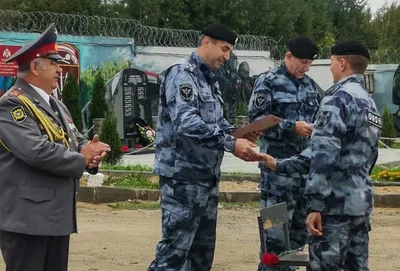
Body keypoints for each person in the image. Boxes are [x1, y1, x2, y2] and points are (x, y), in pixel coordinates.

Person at [149, 23, 262, 271]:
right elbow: (186, 123)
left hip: (206, 179)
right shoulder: (182, 74)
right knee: (173, 256)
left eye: (230, 51)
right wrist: (231, 143)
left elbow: (215, 121)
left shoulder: (208, 79)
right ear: (206, 42)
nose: (227, 56)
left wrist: (237, 133)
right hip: (182, 180)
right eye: (224, 49)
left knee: (201, 256)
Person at [0, 23, 111, 271]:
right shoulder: (11, 105)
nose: (60, 69)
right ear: (35, 67)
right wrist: (82, 158)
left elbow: (73, 138)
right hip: (27, 219)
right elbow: (36, 151)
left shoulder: (55, 104)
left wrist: (91, 151)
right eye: (53, 63)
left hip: (54, 217)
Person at [304, 40, 381, 271]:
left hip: (335, 207)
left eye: (331, 63)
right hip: (360, 203)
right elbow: (372, 155)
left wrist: (315, 204)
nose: (330, 68)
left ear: (342, 63)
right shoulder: (370, 103)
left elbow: (323, 154)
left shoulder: (338, 99)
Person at [247, 36, 322, 270]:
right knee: (274, 241)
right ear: (288, 56)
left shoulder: (311, 86)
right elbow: (256, 121)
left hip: (303, 179)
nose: (306, 67)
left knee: (298, 243)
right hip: (275, 178)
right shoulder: (268, 82)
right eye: (302, 62)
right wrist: (292, 127)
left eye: (309, 63)